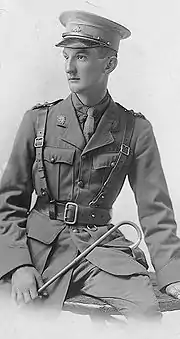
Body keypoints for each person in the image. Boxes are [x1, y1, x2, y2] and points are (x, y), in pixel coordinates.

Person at [0, 9, 180, 322]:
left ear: (110, 64)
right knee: (23, 317)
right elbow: (8, 204)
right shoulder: (38, 122)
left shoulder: (134, 129)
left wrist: (171, 273)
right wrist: (17, 265)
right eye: (66, 56)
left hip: (101, 252)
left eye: (81, 56)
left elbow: (155, 209)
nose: (69, 67)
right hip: (39, 252)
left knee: (146, 314)